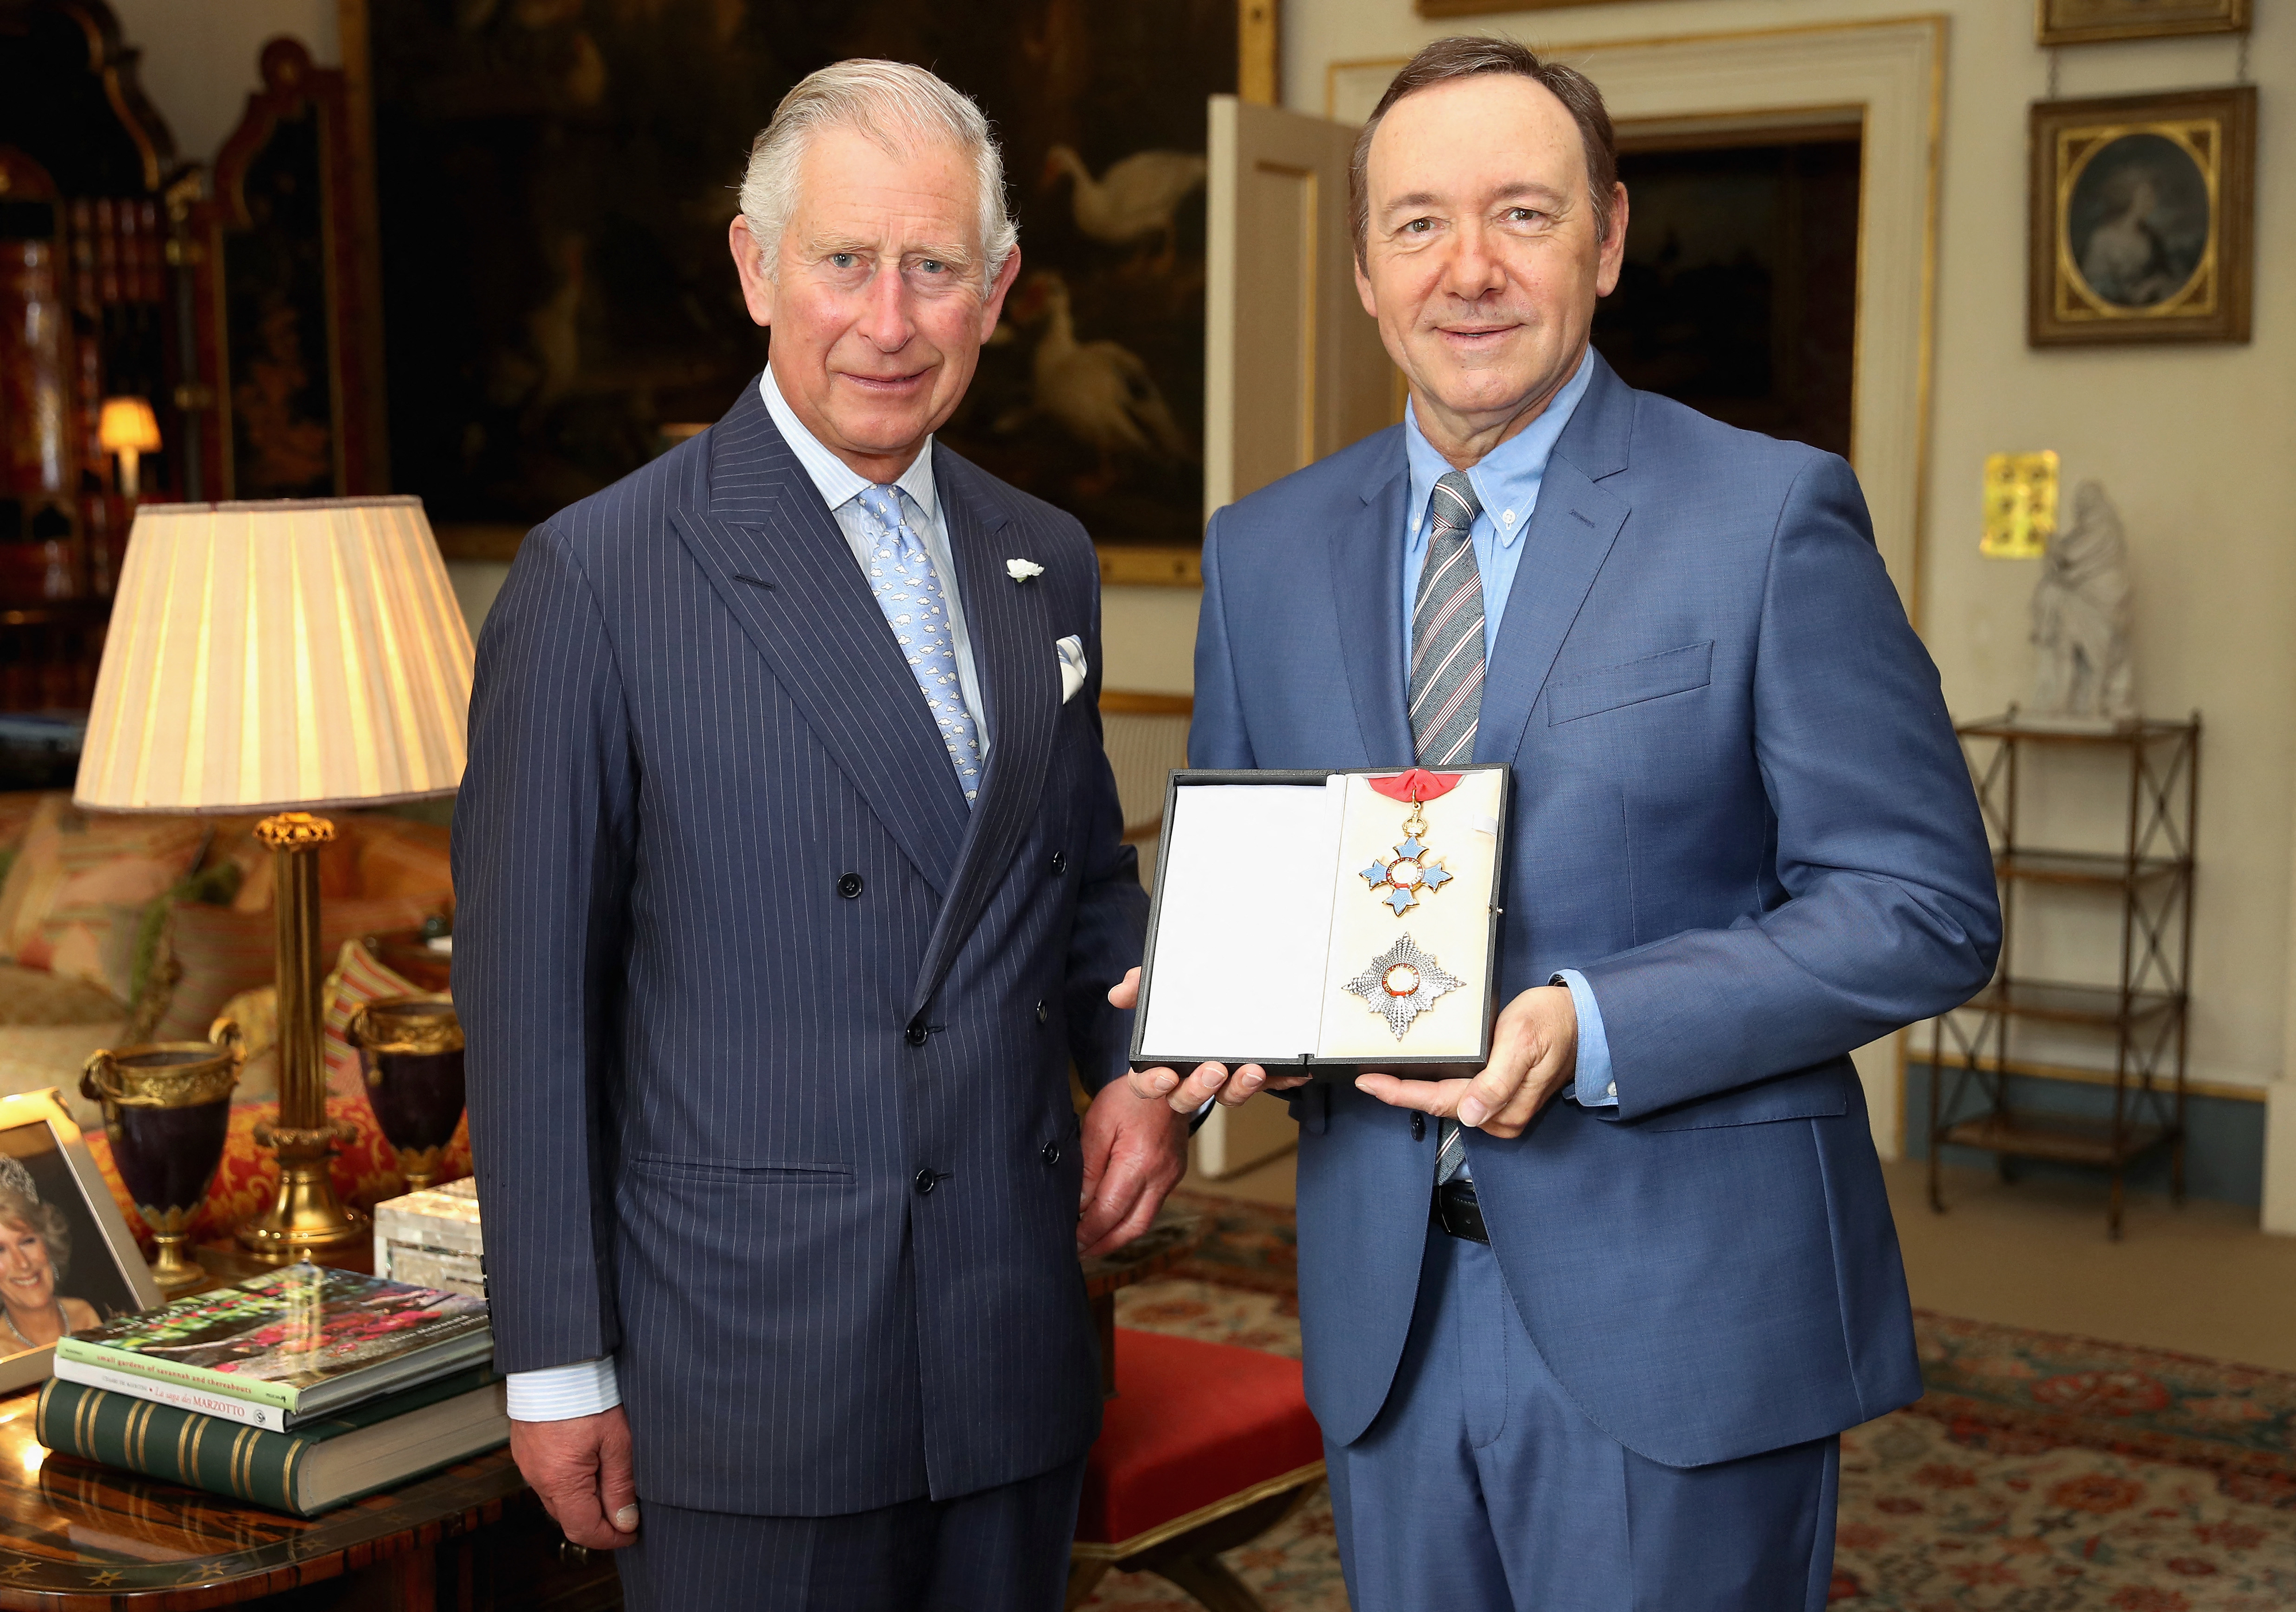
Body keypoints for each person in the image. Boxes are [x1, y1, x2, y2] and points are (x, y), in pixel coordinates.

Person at [1119, 37, 2000, 1610]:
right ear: (1364, 265)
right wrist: (1208, 1016)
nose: (1469, 269)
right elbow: (1273, 872)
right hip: (1385, 1310)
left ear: (1606, 237)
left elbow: (1921, 900)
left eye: (1523, 215)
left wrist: (1597, 1019)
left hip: (1682, 1303)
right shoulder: (1264, 552)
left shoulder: (1766, 515)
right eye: (1418, 224)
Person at [455, 59, 1184, 1611]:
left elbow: (1083, 887)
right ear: (754, 266)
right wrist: (555, 1364)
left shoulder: (1043, 557)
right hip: (751, 1372)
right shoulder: (599, 580)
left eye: (935, 270)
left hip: (1007, 1344)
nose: (890, 318)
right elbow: (528, 1020)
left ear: (1000, 292)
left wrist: (1141, 1074)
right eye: (848, 261)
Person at [0, 1172, 99, 1349]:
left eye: (27, 1241)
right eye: (0, 1251)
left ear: (48, 1243)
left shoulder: (87, 1316)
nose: (23, 1263)